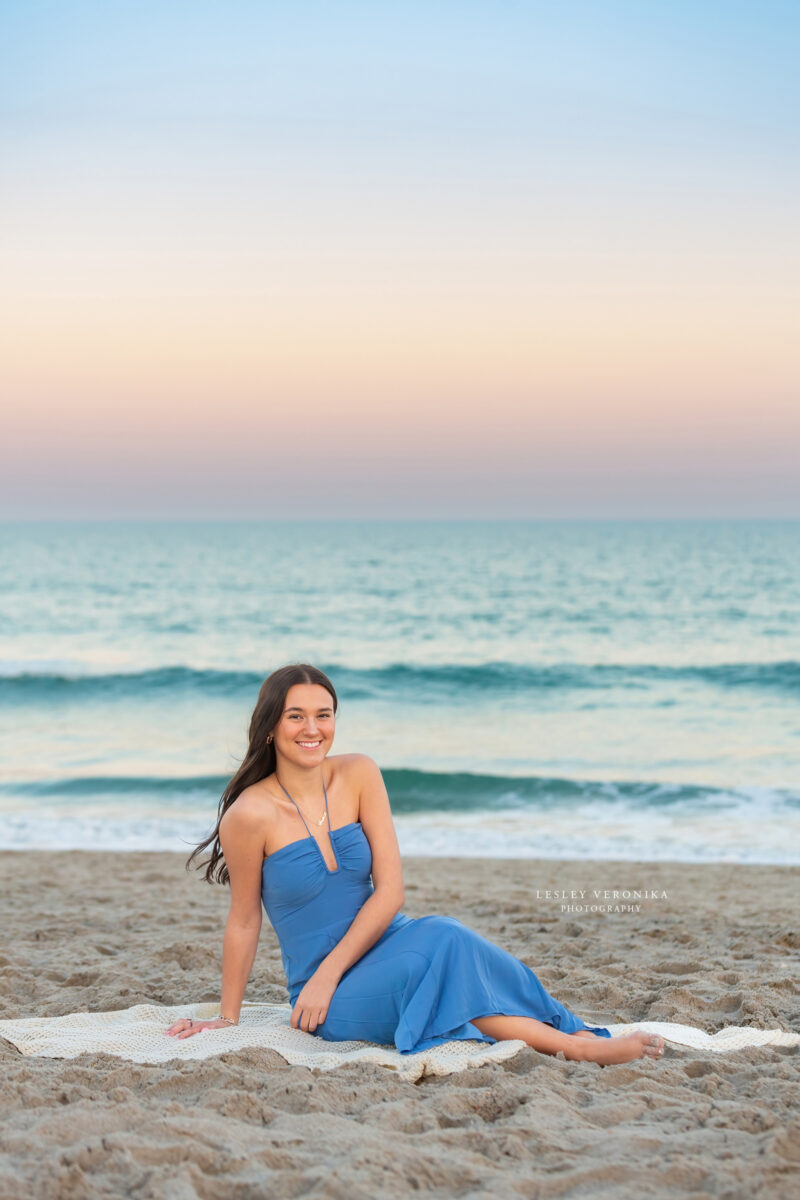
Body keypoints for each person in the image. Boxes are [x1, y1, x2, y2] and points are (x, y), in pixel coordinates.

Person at [166, 664, 665, 1065]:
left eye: (325, 714)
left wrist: (332, 970)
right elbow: (244, 919)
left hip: (390, 938)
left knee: (448, 934)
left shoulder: (359, 774)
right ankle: (575, 1048)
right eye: (296, 716)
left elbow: (391, 892)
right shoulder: (248, 815)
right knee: (437, 955)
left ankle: (569, 1027)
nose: (313, 729)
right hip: (325, 994)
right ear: (271, 726)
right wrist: (230, 1017)